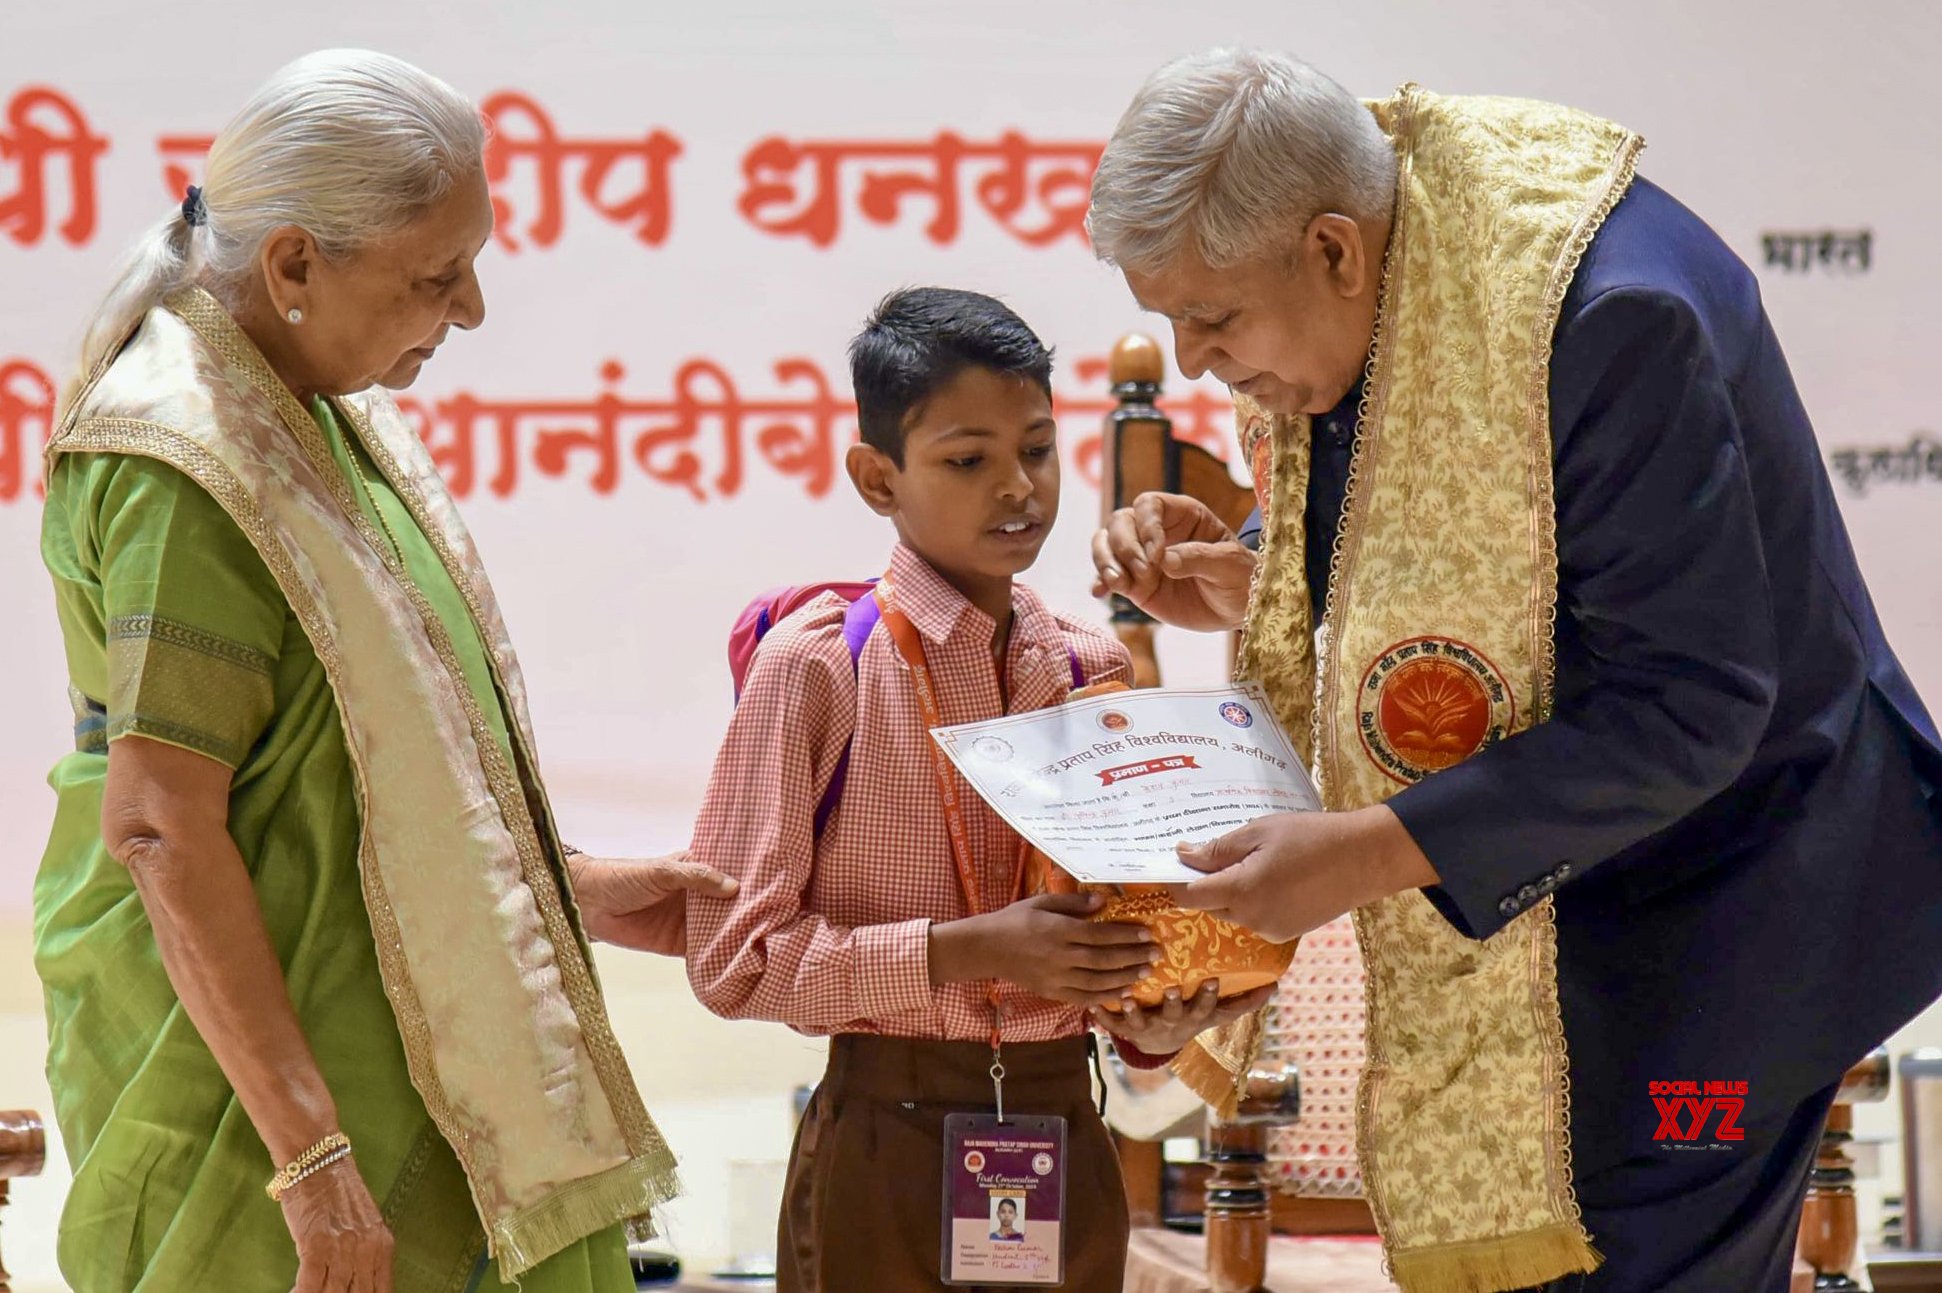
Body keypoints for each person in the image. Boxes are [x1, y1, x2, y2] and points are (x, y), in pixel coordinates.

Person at [1086, 48, 1942, 1293]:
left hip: (1728, 904)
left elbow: (1689, 705)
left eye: (1211, 321)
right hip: (1572, 897)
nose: (1195, 360)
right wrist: (1256, 569)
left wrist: (1361, 854)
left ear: (1332, 251)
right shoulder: (1388, 229)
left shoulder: (1605, 319)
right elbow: (1447, 522)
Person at [36, 49, 735, 1293]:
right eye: (436, 275)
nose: (468, 311)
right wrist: (312, 1163)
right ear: (295, 263)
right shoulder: (180, 460)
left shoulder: (315, 414)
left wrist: (561, 889)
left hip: (397, 1082)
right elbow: (157, 828)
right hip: (279, 1131)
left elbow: (369, 763)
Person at [684, 287, 1273, 1292]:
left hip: (1063, 1133)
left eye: (1037, 451)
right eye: (968, 460)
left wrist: (1148, 1015)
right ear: (878, 478)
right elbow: (734, 961)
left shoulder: (1091, 673)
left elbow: (1121, 941)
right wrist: (969, 952)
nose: (1018, 490)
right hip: (883, 1146)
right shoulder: (821, 666)